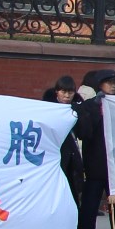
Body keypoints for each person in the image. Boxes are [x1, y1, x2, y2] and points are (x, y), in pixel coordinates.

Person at [72, 68, 115, 229]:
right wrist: (96, 112)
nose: (112, 86)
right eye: (109, 82)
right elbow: (84, 133)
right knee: (90, 204)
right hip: (95, 163)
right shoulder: (89, 106)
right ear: (99, 84)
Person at [43, 76, 81, 209]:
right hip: (54, 154)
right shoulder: (47, 109)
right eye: (63, 92)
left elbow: (83, 132)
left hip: (72, 153)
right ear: (57, 92)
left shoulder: (77, 109)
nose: (67, 95)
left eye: (70, 92)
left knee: (71, 188)